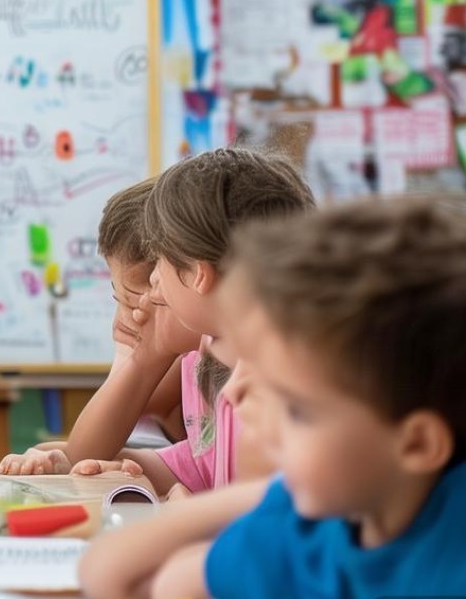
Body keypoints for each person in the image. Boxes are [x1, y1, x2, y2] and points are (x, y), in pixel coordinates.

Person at [81, 196, 466, 599]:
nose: (232, 392)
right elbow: (112, 571)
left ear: (417, 443)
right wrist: (274, 493)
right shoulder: (319, 523)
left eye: (298, 411)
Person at [63, 148, 314, 497]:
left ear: (198, 274)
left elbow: (263, 512)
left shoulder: (284, 379)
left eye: (160, 264)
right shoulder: (214, 352)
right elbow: (203, 465)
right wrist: (134, 472)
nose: (154, 286)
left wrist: (184, 515)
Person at [0, 178, 195, 476]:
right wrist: (53, 457)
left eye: (133, 304)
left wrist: (145, 358)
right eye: (119, 301)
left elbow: (87, 450)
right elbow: (83, 452)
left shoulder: (193, 354)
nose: (120, 322)